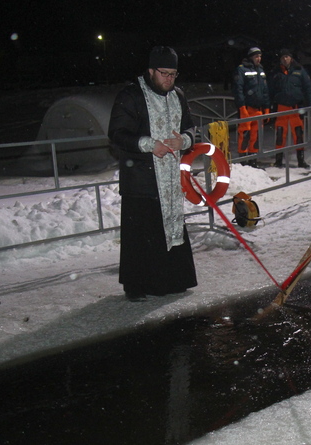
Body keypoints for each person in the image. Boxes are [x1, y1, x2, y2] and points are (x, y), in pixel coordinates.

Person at [107, 46, 197, 301]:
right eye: (164, 73)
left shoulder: (178, 95)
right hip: (142, 178)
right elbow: (117, 134)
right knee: (141, 234)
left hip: (170, 179)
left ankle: (174, 280)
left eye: (173, 74)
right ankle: (136, 285)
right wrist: (149, 144)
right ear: (150, 71)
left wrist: (186, 141)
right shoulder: (131, 95)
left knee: (171, 228)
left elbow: (190, 127)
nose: (169, 79)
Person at [269, 49, 311, 168]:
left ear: (291, 58)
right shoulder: (276, 72)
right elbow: (270, 90)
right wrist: (269, 105)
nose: (285, 59)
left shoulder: (299, 70)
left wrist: (310, 104)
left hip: (296, 108)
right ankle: (278, 160)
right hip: (281, 108)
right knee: (280, 135)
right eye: (283, 57)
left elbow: (308, 88)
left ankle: (301, 160)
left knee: (298, 135)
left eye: (287, 57)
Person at [233, 47, 270, 167]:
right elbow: (238, 90)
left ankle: (253, 161)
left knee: (256, 135)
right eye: (256, 56)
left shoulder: (261, 70)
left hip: (258, 109)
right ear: (251, 57)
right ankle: (243, 162)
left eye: (260, 56)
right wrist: (242, 107)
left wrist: (266, 107)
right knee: (245, 135)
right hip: (247, 109)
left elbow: (265, 91)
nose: (258, 59)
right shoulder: (242, 69)